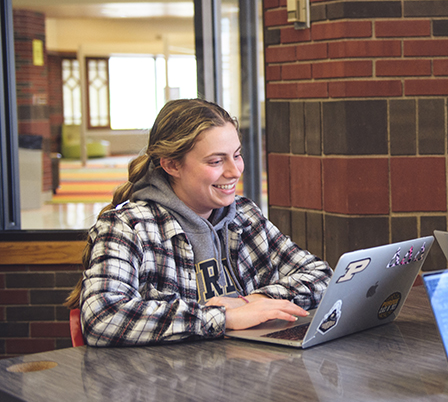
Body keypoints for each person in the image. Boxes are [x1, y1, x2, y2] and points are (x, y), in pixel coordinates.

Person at [64, 98, 332, 345]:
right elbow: (102, 317)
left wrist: (251, 301)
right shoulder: (127, 228)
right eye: (216, 161)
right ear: (171, 165)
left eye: (236, 155)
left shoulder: (245, 216)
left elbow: (321, 275)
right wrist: (222, 317)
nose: (234, 171)